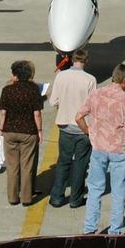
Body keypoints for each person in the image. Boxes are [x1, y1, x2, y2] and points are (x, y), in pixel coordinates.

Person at [76, 64, 125, 235]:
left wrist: (88, 131)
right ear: (124, 80)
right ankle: (115, 231)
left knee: (95, 189)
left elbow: (78, 116)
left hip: (98, 148)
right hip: (119, 150)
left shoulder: (96, 93)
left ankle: (90, 229)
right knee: (118, 192)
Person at [48, 48, 96, 208]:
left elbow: (53, 101)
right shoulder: (90, 79)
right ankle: (76, 199)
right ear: (86, 61)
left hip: (65, 126)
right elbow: (93, 106)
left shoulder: (61, 76)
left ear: (72, 60)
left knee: (63, 162)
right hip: (83, 128)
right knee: (80, 164)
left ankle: (57, 197)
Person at [0, 60, 43, 206]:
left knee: (12, 166)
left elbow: (3, 113)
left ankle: (12, 197)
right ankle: (26, 198)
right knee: (27, 166)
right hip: (28, 132)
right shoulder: (34, 90)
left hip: (10, 131)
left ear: (15, 74)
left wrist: (1, 129)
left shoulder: (7, 90)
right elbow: (37, 114)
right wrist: (39, 131)